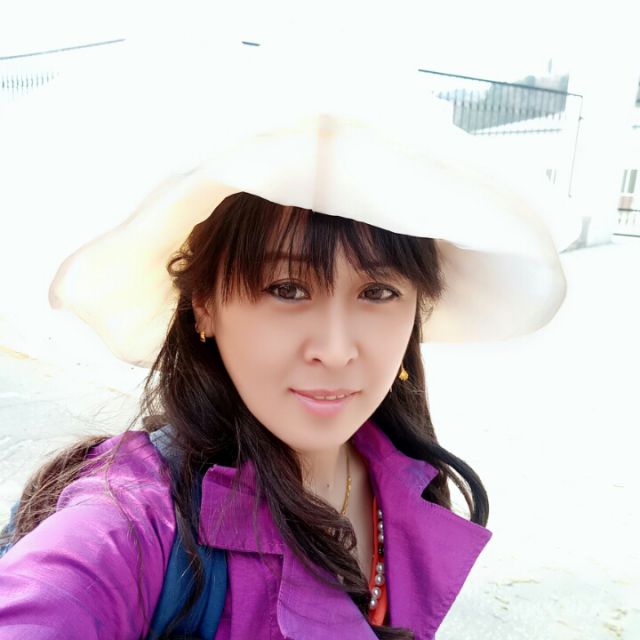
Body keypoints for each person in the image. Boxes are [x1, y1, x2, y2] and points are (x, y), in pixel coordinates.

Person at [0, 46, 571, 640]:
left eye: (377, 292)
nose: (336, 349)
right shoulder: (133, 523)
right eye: (287, 288)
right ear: (204, 302)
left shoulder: (404, 479)